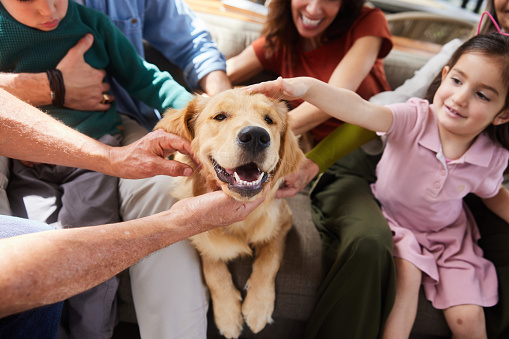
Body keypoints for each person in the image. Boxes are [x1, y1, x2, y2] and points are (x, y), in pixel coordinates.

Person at [249, 31, 509, 338]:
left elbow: (493, 194)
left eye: (482, 95)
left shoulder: (492, 157)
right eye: (457, 81)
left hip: (450, 236)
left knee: (469, 321)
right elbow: (357, 109)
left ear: (502, 115)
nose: (460, 97)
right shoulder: (412, 117)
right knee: (406, 279)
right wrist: (305, 87)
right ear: (445, 75)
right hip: (397, 223)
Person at [0, 0, 231, 337]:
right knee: (36, 250)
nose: (48, 11)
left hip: (94, 156)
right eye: (26, 1)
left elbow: (147, 79)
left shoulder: (93, 24)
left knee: (93, 247)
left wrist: (210, 116)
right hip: (29, 163)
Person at [0, 87, 264, 339]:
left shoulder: (103, 41)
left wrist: (112, 158)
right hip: (21, 131)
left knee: (157, 190)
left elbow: (154, 71)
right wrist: (50, 86)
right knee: (35, 238)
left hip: (103, 126)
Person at [227, 0, 392, 152]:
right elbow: (225, 71)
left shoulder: (369, 20)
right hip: (308, 146)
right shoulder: (282, 40)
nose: (313, 10)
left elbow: (336, 98)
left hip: (363, 147)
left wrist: (264, 132)